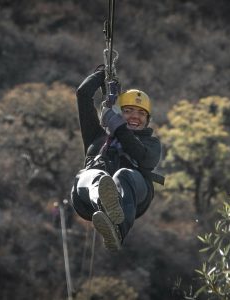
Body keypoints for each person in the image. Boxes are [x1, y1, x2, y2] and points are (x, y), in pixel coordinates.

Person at [70, 66, 163, 251]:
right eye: (128, 111)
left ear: (147, 120)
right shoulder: (97, 136)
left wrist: (117, 126)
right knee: (94, 175)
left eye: (141, 113)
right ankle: (104, 205)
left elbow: (142, 157)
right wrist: (101, 75)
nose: (135, 116)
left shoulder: (151, 144)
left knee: (123, 174)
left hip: (132, 196)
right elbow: (83, 94)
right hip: (87, 198)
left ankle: (118, 230)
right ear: (119, 112)